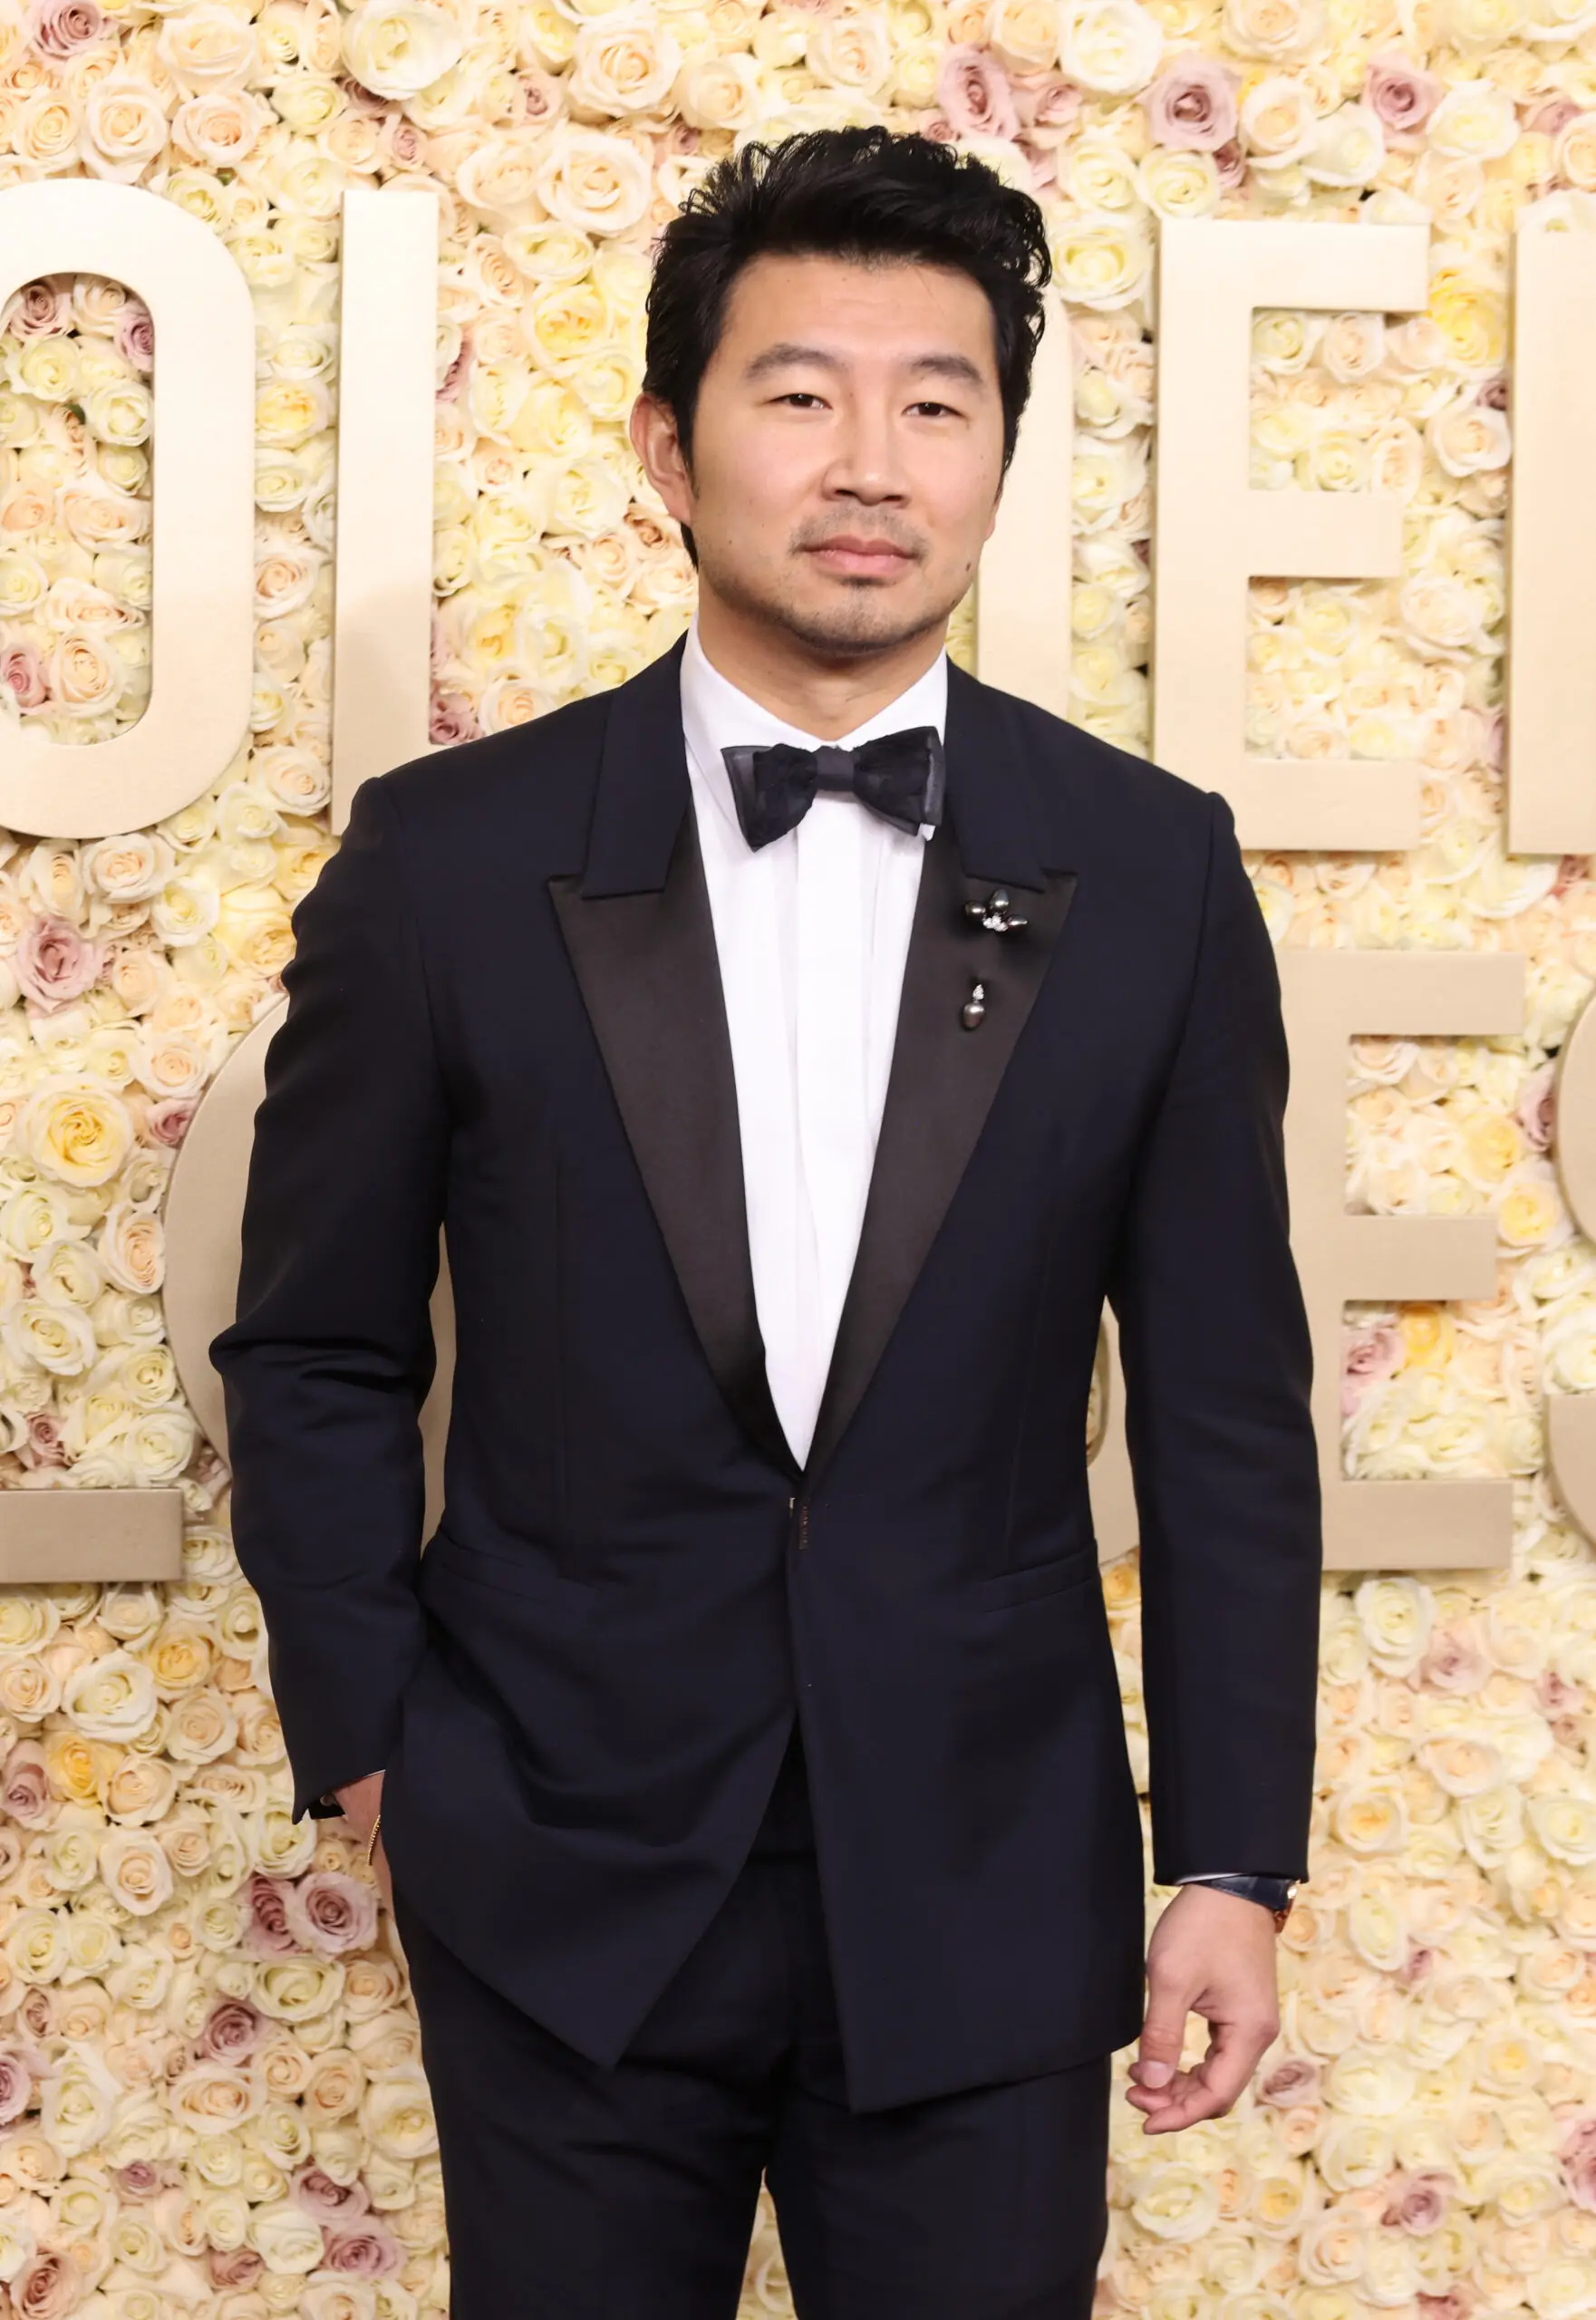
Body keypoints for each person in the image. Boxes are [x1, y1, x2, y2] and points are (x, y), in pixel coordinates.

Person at [210, 125, 1322, 2320]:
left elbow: (1222, 1405)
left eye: (937, 398)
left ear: (999, 454)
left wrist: (1225, 1856)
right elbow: (318, 1341)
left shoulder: (1156, 868)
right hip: (553, 1859)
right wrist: (376, 1739)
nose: (870, 460)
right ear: (668, 445)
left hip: (990, 1873)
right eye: (797, 392)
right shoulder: (446, 860)